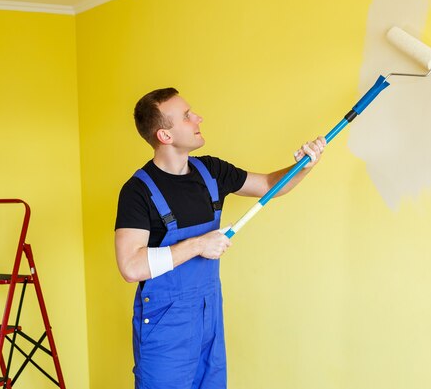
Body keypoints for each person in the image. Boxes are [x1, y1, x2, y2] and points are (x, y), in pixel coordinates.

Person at [114, 87, 325, 389]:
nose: (198, 117)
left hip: (209, 314)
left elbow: (268, 184)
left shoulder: (211, 171)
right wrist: (199, 244)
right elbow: (131, 266)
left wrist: (304, 165)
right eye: (187, 116)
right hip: (165, 325)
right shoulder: (137, 191)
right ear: (165, 136)